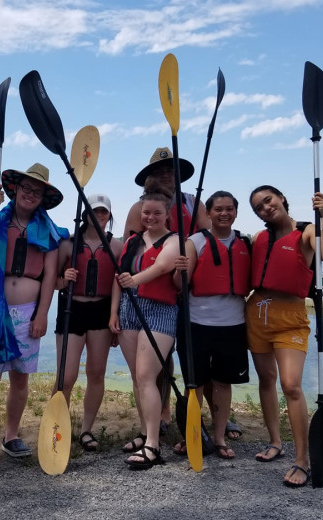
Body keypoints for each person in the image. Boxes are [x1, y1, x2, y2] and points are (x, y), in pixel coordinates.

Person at [0, 163, 68, 460]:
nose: (30, 194)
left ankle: (11, 435)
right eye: (26, 188)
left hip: (28, 313)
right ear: (15, 189)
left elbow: (50, 276)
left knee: (20, 379)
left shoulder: (49, 230)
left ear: (43, 198)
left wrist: (42, 314)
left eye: (37, 191)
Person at [247, 185, 323, 487]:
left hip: (290, 317)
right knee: (266, 380)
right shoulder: (259, 238)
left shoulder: (307, 231)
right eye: (259, 207)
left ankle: (303, 460)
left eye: (268, 200)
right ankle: (275, 442)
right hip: (257, 312)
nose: (265, 208)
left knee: (291, 385)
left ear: (282, 198)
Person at [123, 147, 209, 436]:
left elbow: (205, 239)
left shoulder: (193, 203)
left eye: (169, 171)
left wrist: (185, 268)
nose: (165, 176)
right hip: (149, 295)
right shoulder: (141, 208)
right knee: (160, 359)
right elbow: (130, 251)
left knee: (192, 356)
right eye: (159, 171)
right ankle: (160, 412)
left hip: (186, 290)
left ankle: (201, 413)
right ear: (149, 179)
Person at [173, 191, 251, 460]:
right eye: (218, 209)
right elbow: (177, 285)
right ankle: (191, 434)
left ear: (236, 212)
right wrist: (179, 270)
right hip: (197, 323)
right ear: (208, 213)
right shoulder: (195, 242)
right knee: (193, 383)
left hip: (233, 324)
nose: (224, 213)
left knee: (222, 383)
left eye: (229, 209)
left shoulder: (244, 242)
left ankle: (218, 437)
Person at [110, 192, 183, 469]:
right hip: (129, 308)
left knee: (146, 375)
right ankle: (144, 432)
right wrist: (113, 312)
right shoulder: (132, 240)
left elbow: (162, 267)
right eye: (145, 213)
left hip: (159, 310)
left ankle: (153, 444)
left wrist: (134, 280)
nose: (150, 218)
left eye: (156, 213)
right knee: (136, 377)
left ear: (167, 215)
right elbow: (118, 279)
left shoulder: (175, 241)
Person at [53, 194, 124, 451]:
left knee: (96, 373)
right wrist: (64, 279)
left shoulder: (116, 247)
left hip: (102, 311)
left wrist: (115, 317)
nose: (99, 216)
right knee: (66, 376)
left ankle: (86, 430)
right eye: (95, 211)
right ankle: (56, 428)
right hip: (72, 309)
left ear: (109, 216)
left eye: (104, 212)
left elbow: (120, 284)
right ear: (86, 214)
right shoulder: (69, 245)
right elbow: (51, 282)